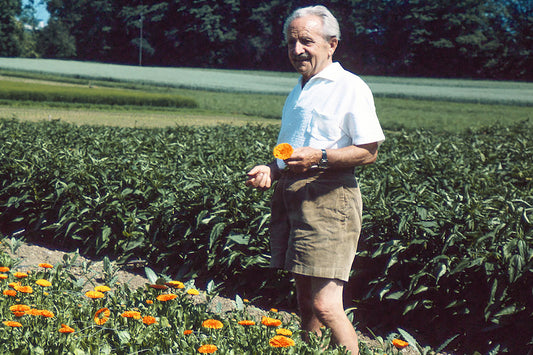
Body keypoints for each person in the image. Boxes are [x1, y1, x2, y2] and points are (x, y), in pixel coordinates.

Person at [245, 5, 385, 354]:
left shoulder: (349, 87)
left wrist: (320, 156)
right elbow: (288, 151)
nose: (297, 50)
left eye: (306, 41)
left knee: (326, 305)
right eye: (291, 43)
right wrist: (271, 169)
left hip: (330, 199)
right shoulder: (299, 91)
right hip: (294, 197)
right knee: (306, 304)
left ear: (332, 44)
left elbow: (369, 151)